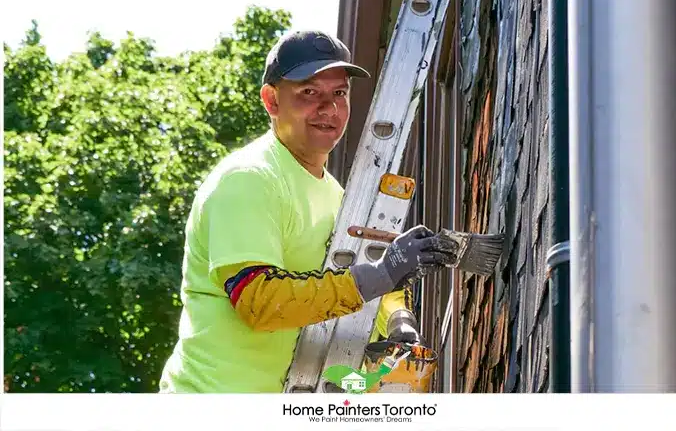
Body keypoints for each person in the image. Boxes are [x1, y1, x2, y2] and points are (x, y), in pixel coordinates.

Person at [158, 30, 459, 393]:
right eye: (309, 93)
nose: (328, 108)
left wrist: (399, 320)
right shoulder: (249, 180)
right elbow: (260, 302)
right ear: (271, 101)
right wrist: (381, 274)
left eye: (339, 94)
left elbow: (373, 273)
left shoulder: (336, 197)